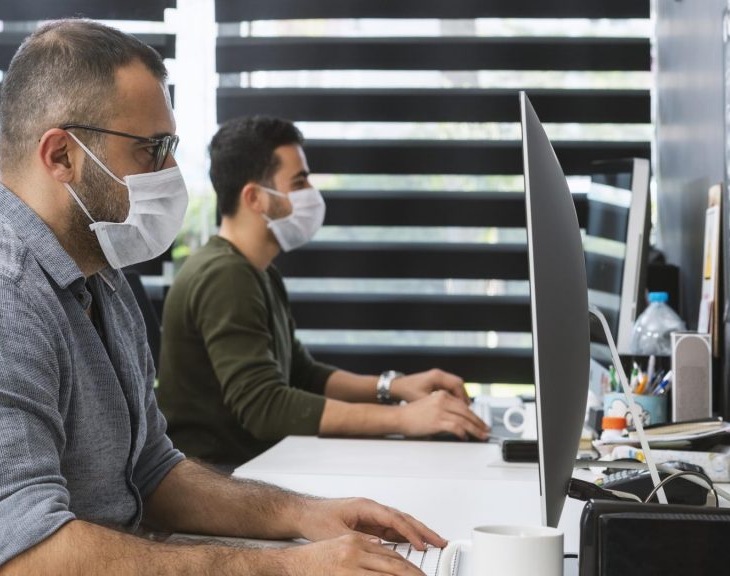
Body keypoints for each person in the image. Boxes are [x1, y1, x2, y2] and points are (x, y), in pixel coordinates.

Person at [0, 20, 443, 576]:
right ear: (61, 156)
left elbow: (151, 472)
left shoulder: (99, 272)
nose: (173, 170)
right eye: (152, 148)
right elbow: (26, 556)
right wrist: (286, 566)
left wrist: (303, 516)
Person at [156, 116, 490, 468]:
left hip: (256, 470)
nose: (311, 193)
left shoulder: (256, 272)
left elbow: (302, 374)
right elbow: (265, 407)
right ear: (255, 198)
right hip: (222, 483)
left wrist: (394, 387)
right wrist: (404, 420)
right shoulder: (225, 276)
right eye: (299, 182)